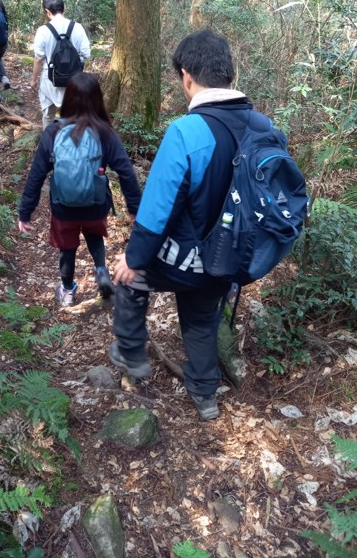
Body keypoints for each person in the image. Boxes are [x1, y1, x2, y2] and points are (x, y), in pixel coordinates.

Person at [109, 30, 250, 422]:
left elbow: (157, 210)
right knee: (202, 323)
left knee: (128, 277)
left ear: (187, 76)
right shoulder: (260, 127)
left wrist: (134, 259)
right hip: (229, 262)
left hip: (183, 260)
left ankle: (131, 352)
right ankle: (206, 397)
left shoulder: (186, 132)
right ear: (228, 72)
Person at [18, 72, 141, 307]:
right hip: (96, 204)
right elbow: (126, 171)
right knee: (93, 233)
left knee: (67, 247)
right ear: (98, 100)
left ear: (68, 98)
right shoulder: (105, 133)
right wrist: (135, 208)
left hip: (63, 207)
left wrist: (25, 212)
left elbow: (36, 175)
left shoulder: (53, 132)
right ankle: (101, 271)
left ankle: (67, 291)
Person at [31, 0, 91, 129]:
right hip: (74, 80)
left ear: (47, 11)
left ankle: (49, 144)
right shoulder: (77, 27)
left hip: (50, 79)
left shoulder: (42, 31)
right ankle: (73, 143)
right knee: (73, 115)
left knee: (48, 115)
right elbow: (86, 54)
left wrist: (34, 80)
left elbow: (38, 59)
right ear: (64, 8)